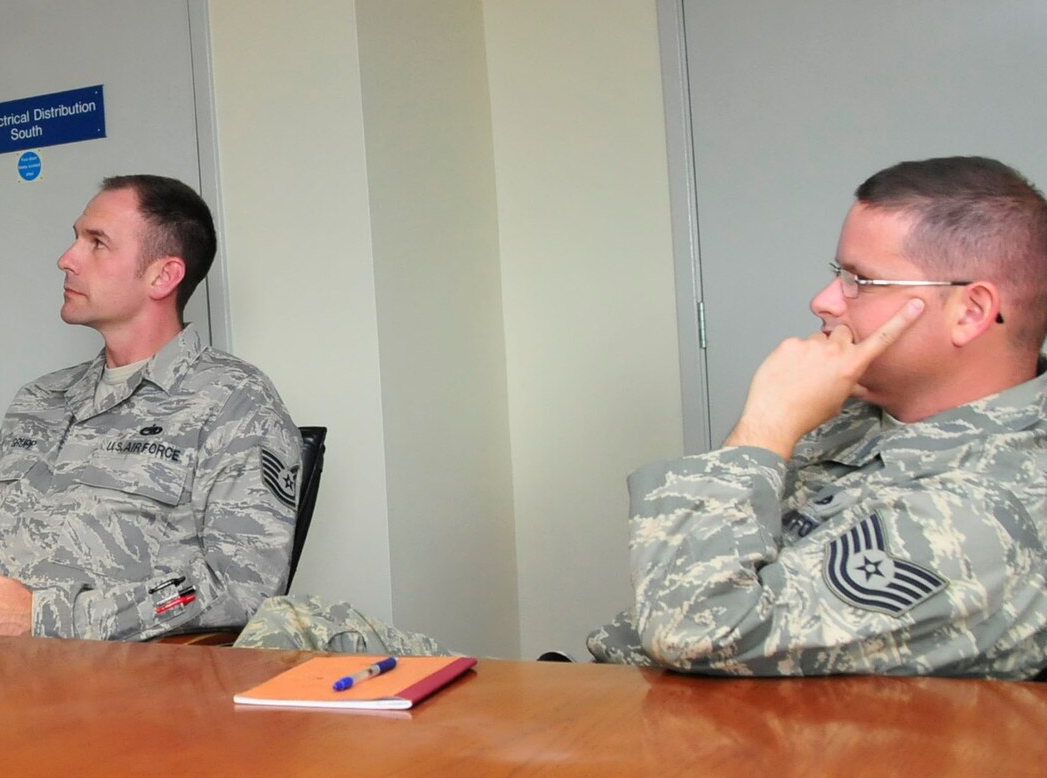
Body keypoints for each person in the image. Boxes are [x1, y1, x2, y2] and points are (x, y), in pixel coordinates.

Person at [244, 157, 1047, 679]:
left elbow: (698, 629)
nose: (825, 301)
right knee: (287, 634)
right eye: (835, 273)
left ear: (972, 311)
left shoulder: (1005, 502)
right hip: (613, 695)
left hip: (685, 756)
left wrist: (766, 427)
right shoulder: (866, 420)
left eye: (862, 282)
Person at [0, 174, 301, 640]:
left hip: (110, 689)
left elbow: (244, 584)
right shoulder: (41, 399)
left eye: (97, 243)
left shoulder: (234, 401)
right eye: (75, 238)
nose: (66, 259)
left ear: (163, 275)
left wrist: (40, 617)